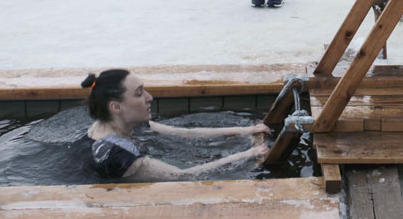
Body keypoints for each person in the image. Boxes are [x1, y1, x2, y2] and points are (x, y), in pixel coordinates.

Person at [80, 69, 269, 181]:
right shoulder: (120, 157)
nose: (149, 97)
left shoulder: (124, 123)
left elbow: (185, 133)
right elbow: (183, 176)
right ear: (116, 107)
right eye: (139, 93)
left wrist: (248, 130)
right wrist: (248, 154)